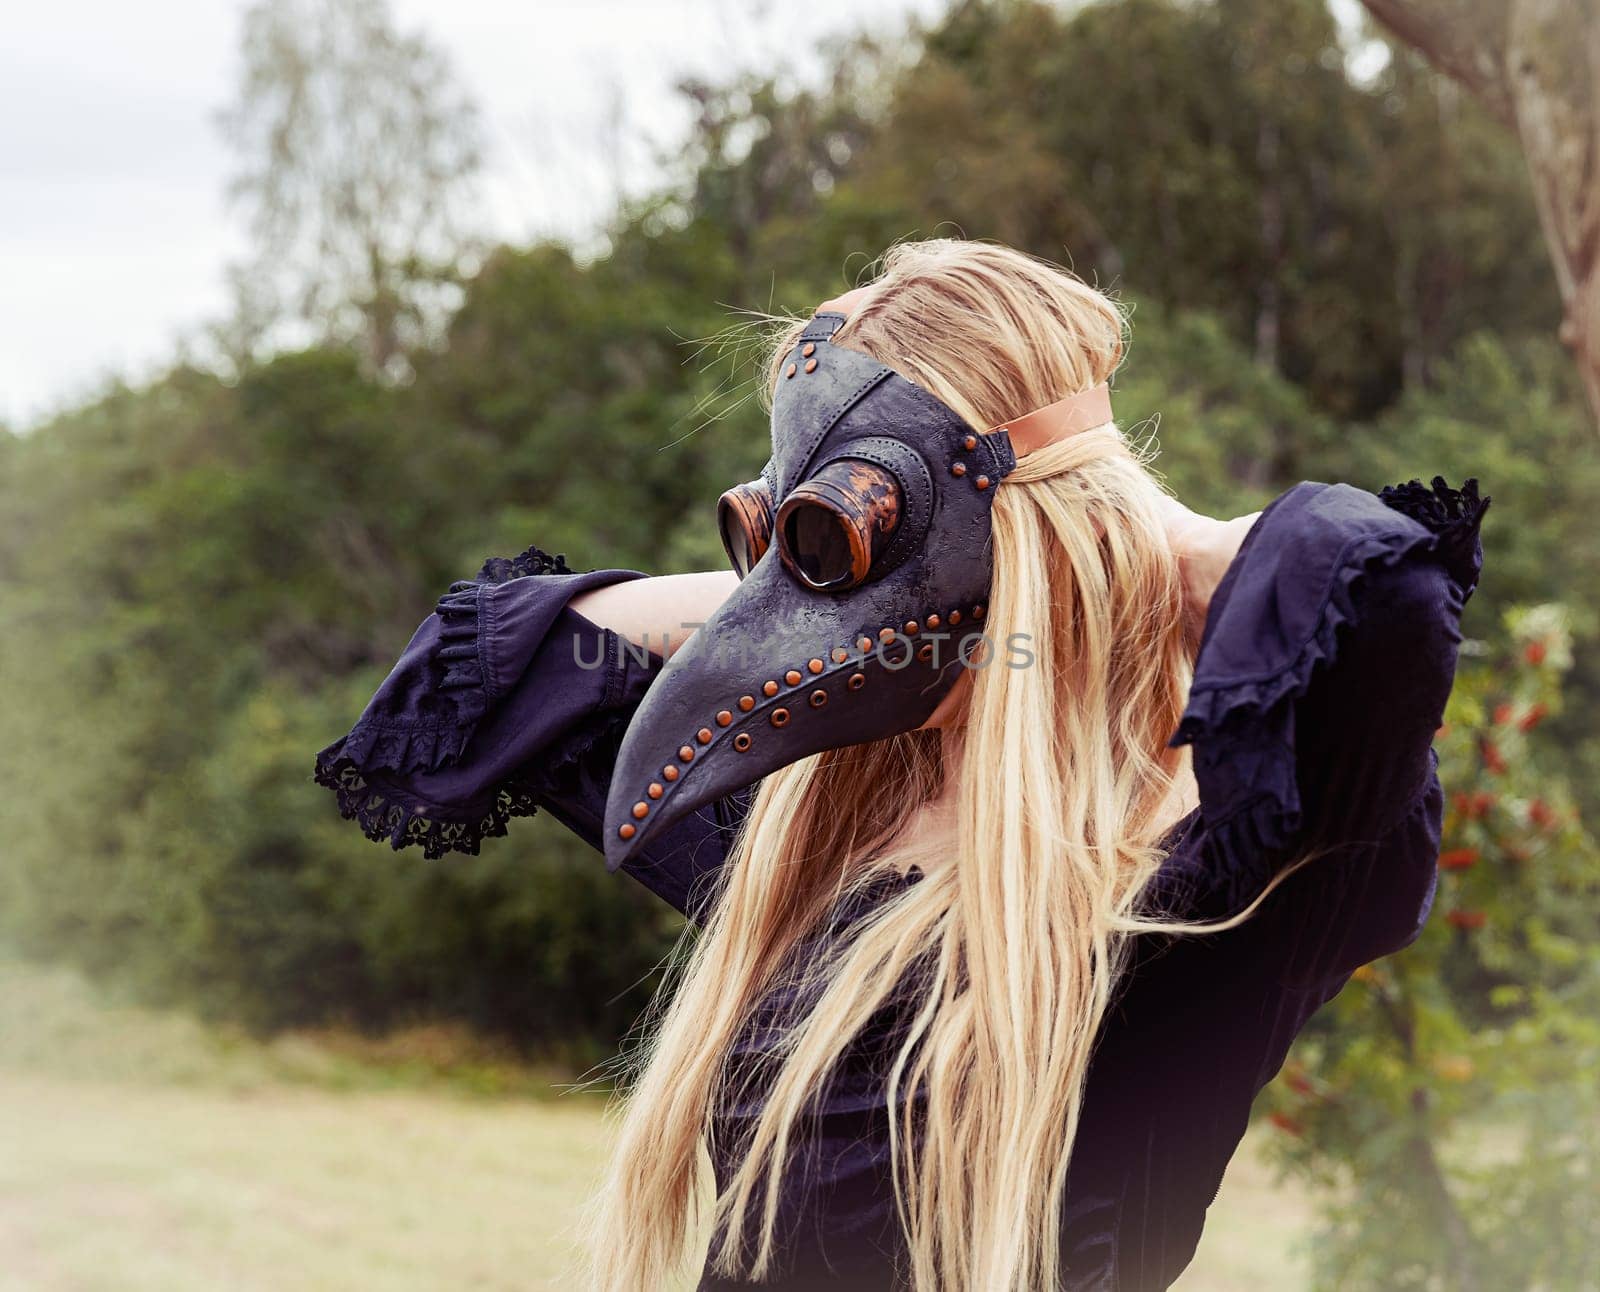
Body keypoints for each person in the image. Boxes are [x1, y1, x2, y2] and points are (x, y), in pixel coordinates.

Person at [314, 239, 1489, 1291]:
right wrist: (804, 585)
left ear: (1027, 534)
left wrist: (1117, 547)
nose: (801, 592)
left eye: (835, 536)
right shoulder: (808, 837)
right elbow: (475, 674)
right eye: (784, 532)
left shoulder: (1212, 878)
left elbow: (1383, 593)